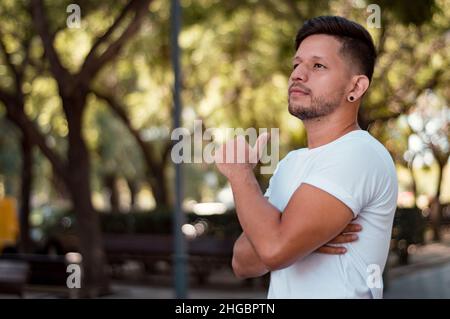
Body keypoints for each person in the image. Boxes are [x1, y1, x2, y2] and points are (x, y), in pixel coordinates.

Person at [214, 16, 398, 298]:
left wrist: (240, 174)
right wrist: (298, 241)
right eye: (296, 64)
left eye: (318, 65)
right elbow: (242, 262)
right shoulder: (292, 163)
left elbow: (273, 250)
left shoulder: (359, 153)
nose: (297, 74)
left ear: (356, 87)